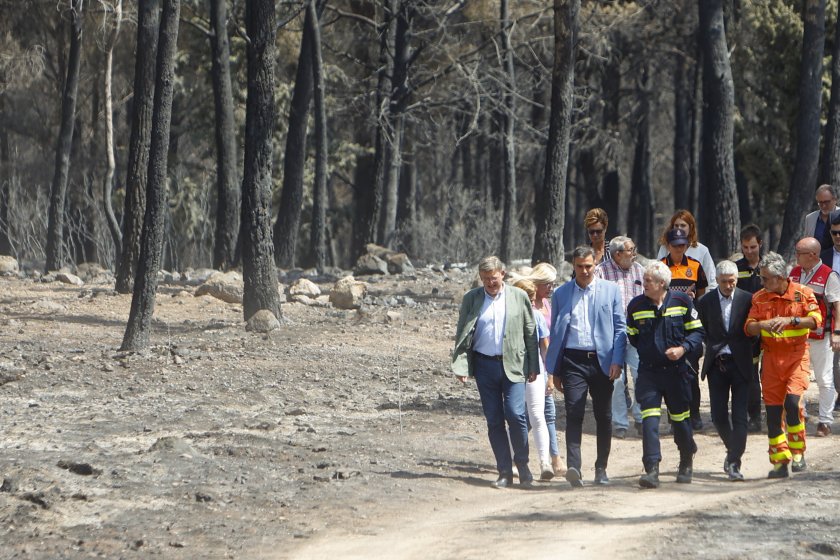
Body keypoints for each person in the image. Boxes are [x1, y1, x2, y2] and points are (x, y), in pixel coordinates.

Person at [452, 256, 540, 488]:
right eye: (485, 279)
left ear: (503, 273)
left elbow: (531, 333)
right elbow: (462, 333)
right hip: (484, 366)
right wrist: (461, 365)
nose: (490, 283)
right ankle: (504, 471)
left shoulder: (518, 297)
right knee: (494, 420)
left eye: (494, 278)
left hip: (514, 365)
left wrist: (533, 366)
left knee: (516, 414)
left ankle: (523, 466)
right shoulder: (472, 299)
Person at [545, 246, 626, 487]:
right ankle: (574, 468)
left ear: (595, 265)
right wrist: (556, 369)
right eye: (579, 266)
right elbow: (556, 333)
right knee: (574, 412)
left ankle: (601, 468)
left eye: (588, 266)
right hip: (572, 361)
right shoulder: (561, 294)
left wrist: (617, 361)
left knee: (604, 415)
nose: (584, 270)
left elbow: (620, 329)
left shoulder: (610, 292)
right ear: (573, 266)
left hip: (602, 361)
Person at [626, 261, 704, 489]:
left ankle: (686, 459)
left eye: (648, 281)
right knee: (649, 420)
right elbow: (633, 336)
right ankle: (652, 469)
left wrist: (682, 349)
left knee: (680, 420)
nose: (644, 284)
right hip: (649, 373)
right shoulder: (635, 306)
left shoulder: (682, 302)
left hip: (676, 373)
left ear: (662, 284)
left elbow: (698, 331)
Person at [745, 252, 821, 478]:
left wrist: (792, 320)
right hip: (771, 359)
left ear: (779, 278)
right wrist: (762, 325)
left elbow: (816, 321)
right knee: (773, 411)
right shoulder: (759, 297)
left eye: (766, 278)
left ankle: (798, 453)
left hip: (796, 356)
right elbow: (749, 326)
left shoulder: (803, 293)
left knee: (792, 403)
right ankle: (779, 461)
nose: (762, 282)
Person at [696, 261, 758, 481]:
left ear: (736, 280)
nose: (729, 285)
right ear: (717, 281)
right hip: (717, 364)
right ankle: (733, 449)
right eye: (724, 282)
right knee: (718, 415)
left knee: (740, 416)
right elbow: (701, 328)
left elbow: (755, 330)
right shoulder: (705, 301)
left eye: (732, 281)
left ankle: (734, 462)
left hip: (741, 363)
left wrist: (754, 356)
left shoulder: (748, 299)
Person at [789, 237, 840, 437]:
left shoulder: (829, 275)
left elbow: (837, 306)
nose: (796, 257)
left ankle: (825, 421)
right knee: (796, 376)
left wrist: (837, 333)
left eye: (799, 253)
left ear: (812, 255)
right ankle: (797, 416)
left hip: (822, 336)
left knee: (824, 379)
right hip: (796, 335)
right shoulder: (793, 273)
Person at [595, 235, 644, 439]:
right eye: (630, 250)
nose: (634, 253)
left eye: (633, 249)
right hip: (612, 334)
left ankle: (642, 418)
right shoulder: (601, 272)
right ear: (617, 254)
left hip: (636, 333)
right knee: (616, 379)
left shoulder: (639, 270)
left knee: (641, 374)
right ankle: (621, 422)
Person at [661, 227, 707, 431]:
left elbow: (702, 294)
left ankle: (694, 413)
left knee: (691, 372)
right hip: (667, 327)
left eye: (683, 245)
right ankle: (674, 417)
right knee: (670, 376)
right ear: (668, 246)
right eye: (675, 245)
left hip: (689, 327)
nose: (680, 249)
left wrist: (693, 300)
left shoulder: (695, 266)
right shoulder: (660, 266)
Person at [523, 262, 564, 476]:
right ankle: (552, 459)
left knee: (541, 414)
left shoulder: (548, 304)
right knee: (539, 414)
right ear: (536, 284)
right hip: (535, 365)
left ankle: (550, 458)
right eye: (546, 284)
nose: (550, 288)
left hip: (546, 362)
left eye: (553, 284)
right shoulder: (530, 307)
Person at [513, 278, 554, 480]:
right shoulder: (508, 316)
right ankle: (516, 460)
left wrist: (549, 375)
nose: (529, 303)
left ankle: (544, 462)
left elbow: (544, 347)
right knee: (515, 416)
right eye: (525, 298)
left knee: (537, 415)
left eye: (531, 298)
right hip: (512, 369)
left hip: (534, 369)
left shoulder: (537, 316)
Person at [735, 224, 764, 432]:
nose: (749, 251)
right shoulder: (737, 269)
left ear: (760, 244)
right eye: (745, 247)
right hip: (747, 329)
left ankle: (777, 412)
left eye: (753, 247)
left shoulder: (769, 267)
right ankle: (753, 416)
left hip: (771, 328)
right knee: (750, 374)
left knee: (771, 373)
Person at [656, 210, 717, 289]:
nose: (679, 228)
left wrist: (703, 300)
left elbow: (711, 282)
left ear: (691, 227)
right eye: (676, 225)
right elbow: (657, 274)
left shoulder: (702, 250)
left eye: (683, 225)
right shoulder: (665, 248)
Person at [821, 213, 840, 413]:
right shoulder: (824, 256)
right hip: (831, 312)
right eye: (834, 233)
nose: (838, 236)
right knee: (835, 360)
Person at [804, 184, 839, 250]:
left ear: (835, 200)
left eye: (827, 202)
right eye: (820, 202)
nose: (823, 206)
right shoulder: (810, 218)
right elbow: (807, 243)